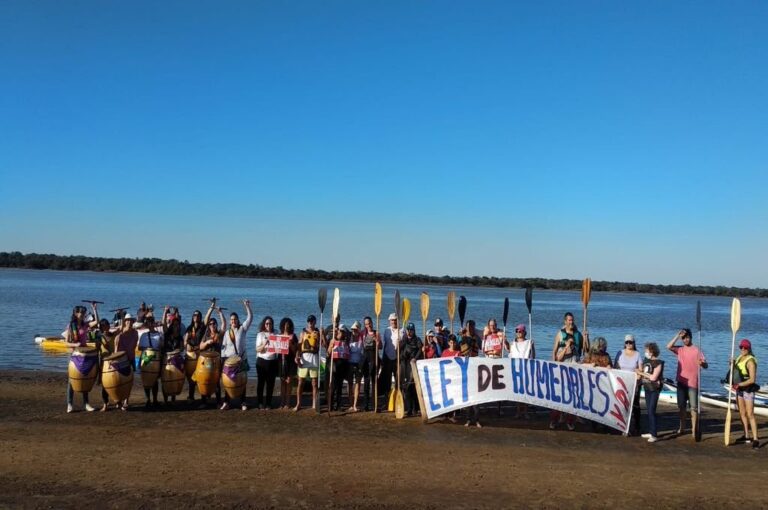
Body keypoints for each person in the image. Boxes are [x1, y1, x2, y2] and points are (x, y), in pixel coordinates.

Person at [666, 328, 708, 438]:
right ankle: (682, 428)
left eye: (687, 337)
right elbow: (668, 346)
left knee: (693, 408)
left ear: (691, 337)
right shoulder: (680, 350)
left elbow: (706, 365)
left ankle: (694, 430)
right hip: (681, 382)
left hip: (693, 383)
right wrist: (677, 335)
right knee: (681, 408)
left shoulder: (697, 350)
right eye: (683, 338)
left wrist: (702, 364)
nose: (685, 340)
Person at [549, 312, 585, 431]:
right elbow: (554, 351)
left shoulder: (578, 334)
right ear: (565, 321)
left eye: (572, 320)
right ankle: (555, 420)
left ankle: (570, 421)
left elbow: (585, 350)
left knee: (573, 396)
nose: (571, 322)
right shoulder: (560, 334)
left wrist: (586, 338)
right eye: (569, 320)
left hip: (574, 368)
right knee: (559, 396)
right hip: (562, 368)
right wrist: (553, 365)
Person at [221, 300, 253, 411]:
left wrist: (247, 306)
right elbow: (223, 347)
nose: (233, 321)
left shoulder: (242, 329)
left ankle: (243, 402)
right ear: (230, 321)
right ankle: (226, 402)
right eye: (232, 319)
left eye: (235, 319)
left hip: (241, 360)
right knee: (227, 382)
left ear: (238, 320)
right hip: (229, 361)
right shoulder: (227, 332)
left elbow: (250, 318)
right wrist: (223, 359)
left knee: (242, 382)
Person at [63, 305, 96, 413]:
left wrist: (95, 310)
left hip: (83, 355)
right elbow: (66, 343)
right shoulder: (70, 326)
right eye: (81, 313)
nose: (83, 315)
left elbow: (96, 322)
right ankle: (69, 404)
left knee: (85, 378)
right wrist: (74, 344)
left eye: (84, 313)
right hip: (73, 355)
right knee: (71, 381)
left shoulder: (85, 325)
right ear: (76, 314)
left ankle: (86, 404)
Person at [732, 339, 760, 449]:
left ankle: (756, 438)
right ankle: (746, 436)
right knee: (742, 413)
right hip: (740, 390)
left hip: (748, 389)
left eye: (745, 347)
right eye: (741, 347)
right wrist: (733, 364)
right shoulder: (739, 358)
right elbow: (737, 371)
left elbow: (752, 379)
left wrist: (739, 385)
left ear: (749, 348)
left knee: (750, 414)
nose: (743, 349)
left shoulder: (750, 361)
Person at [614, 334, 642, 436]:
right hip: (622, 383)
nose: (629, 344)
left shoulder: (637, 354)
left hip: (634, 383)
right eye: (627, 342)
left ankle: (637, 426)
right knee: (622, 405)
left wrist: (638, 376)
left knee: (635, 406)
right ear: (624, 343)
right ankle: (623, 426)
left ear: (634, 343)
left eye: (630, 342)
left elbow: (640, 369)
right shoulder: (619, 353)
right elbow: (615, 367)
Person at [199, 306, 226, 407]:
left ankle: (218, 402)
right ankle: (204, 402)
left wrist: (220, 313)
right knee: (204, 379)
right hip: (206, 361)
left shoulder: (219, 334)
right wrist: (207, 343)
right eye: (210, 324)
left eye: (214, 323)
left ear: (216, 325)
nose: (212, 325)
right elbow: (200, 346)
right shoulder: (206, 335)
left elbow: (224, 325)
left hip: (216, 361)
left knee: (216, 381)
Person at [637, 342, 664, 443]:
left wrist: (641, 373)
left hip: (654, 389)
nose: (646, 352)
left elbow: (653, 377)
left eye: (647, 350)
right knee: (648, 410)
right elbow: (644, 372)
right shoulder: (646, 361)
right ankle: (651, 431)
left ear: (652, 351)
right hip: (647, 387)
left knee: (652, 411)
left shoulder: (658, 363)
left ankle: (654, 435)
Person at [507, 324, 534, 419]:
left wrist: (532, 346)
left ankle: (525, 411)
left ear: (524, 332)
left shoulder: (528, 343)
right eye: (517, 331)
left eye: (520, 331)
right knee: (517, 392)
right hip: (516, 369)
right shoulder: (513, 343)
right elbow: (510, 356)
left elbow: (533, 357)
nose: (518, 333)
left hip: (526, 369)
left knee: (525, 391)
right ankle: (518, 411)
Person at [138, 311, 164, 409]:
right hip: (146, 357)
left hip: (156, 358)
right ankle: (148, 399)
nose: (150, 323)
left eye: (151, 321)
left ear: (153, 323)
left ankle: (155, 399)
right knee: (146, 378)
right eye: (148, 322)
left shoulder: (159, 335)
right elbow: (140, 348)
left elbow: (161, 347)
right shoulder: (144, 335)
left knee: (155, 379)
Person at [294, 315, 321, 412]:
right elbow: (299, 346)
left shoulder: (317, 332)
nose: (310, 323)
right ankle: (298, 403)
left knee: (314, 383)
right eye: (309, 321)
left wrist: (319, 337)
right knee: (301, 382)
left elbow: (322, 345)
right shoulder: (302, 333)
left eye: (312, 321)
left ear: (315, 322)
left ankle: (314, 403)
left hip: (314, 358)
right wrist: (297, 356)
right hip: (304, 358)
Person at [114, 313, 139, 411]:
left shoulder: (135, 333)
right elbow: (116, 349)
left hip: (130, 359)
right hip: (121, 359)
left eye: (131, 321)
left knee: (129, 381)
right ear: (124, 322)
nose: (129, 322)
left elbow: (133, 347)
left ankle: (126, 401)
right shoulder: (119, 335)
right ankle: (119, 400)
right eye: (127, 320)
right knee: (119, 380)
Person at [161, 306, 185, 404]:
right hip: (166, 359)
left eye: (177, 324)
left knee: (175, 379)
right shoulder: (167, 334)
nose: (175, 326)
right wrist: (165, 311)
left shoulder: (180, 338)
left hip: (175, 360)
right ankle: (166, 400)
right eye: (174, 324)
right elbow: (163, 323)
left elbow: (182, 348)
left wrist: (178, 351)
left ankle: (173, 399)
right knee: (165, 380)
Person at [254, 314, 278, 410]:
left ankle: (268, 403)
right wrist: (264, 344)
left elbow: (280, 345)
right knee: (261, 383)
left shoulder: (276, 333)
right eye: (267, 323)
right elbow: (257, 349)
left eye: (270, 323)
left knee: (270, 383)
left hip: (273, 361)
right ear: (264, 324)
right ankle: (260, 403)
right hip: (262, 361)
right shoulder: (260, 334)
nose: (268, 325)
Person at [380, 313, 402, 412]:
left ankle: (398, 402)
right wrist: (383, 359)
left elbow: (405, 346)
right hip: (388, 359)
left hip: (398, 360)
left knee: (398, 382)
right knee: (387, 382)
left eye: (395, 320)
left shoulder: (402, 331)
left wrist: (400, 343)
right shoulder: (386, 331)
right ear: (389, 321)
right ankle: (387, 402)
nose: (393, 322)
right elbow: (385, 346)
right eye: (392, 320)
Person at [400, 323, 423, 417]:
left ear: (414, 330)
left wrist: (415, 358)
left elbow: (420, 350)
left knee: (413, 387)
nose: (410, 332)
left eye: (411, 330)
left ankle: (415, 408)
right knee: (406, 387)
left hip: (413, 365)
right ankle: (409, 409)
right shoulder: (404, 339)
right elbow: (399, 351)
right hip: (404, 365)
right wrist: (400, 343)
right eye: (408, 330)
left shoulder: (417, 340)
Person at [183, 310, 206, 401]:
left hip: (200, 355)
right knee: (191, 378)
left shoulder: (202, 327)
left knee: (201, 377)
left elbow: (207, 317)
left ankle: (203, 398)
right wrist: (186, 343)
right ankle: (191, 396)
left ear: (200, 317)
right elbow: (185, 342)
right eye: (194, 315)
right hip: (191, 355)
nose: (195, 316)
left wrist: (211, 307)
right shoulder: (189, 328)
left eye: (197, 315)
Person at [328, 325, 351, 411]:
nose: (342, 333)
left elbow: (350, 333)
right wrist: (331, 346)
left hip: (343, 365)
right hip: (334, 365)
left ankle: (338, 405)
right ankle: (330, 405)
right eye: (340, 331)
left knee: (340, 386)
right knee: (333, 386)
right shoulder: (333, 340)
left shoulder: (346, 341)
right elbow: (328, 353)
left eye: (343, 332)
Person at [278, 317, 299, 409]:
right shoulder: (279, 336)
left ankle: (287, 402)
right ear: (282, 326)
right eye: (285, 325)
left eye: (288, 325)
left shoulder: (293, 336)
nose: (286, 327)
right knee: (282, 381)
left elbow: (296, 351)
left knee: (289, 381)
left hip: (290, 362)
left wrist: (291, 344)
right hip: (281, 361)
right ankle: (282, 402)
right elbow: (276, 349)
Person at [360, 316, 380, 412]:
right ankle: (366, 404)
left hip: (374, 358)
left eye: (369, 323)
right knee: (366, 382)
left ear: (372, 322)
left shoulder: (376, 333)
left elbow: (380, 347)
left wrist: (377, 341)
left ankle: (375, 404)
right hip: (365, 359)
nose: (368, 325)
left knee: (374, 382)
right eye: (366, 324)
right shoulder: (363, 333)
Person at [348, 321, 364, 412]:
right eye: (353, 330)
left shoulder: (362, 337)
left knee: (357, 383)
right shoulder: (348, 338)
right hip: (350, 363)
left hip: (358, 363)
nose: (354, 332)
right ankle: (350, 403)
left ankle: (355, 405)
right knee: (350, 383)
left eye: (356, 330)